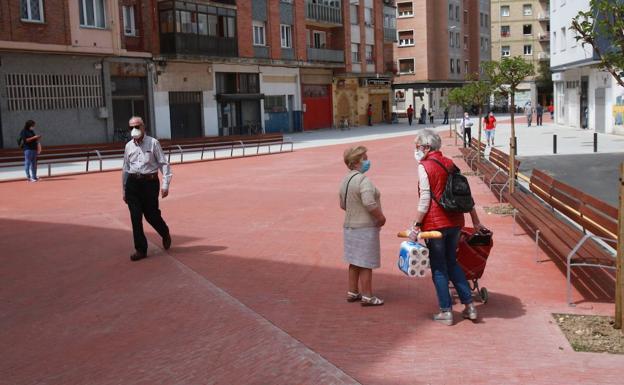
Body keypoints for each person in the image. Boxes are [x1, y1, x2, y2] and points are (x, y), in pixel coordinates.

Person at [411, 129, 486, 325]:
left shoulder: (424, 166)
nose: (416, 150)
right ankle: (470, 307)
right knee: (452, 262)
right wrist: (475, 221)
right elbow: (465, 194)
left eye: (417, 146)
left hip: (435, 225)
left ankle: (446, 311)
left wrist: (416, 225)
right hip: (455, 221)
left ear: (427, 147)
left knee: (438, 267)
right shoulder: (450, 163)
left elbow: (425, 199)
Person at [339, 146, 386, 306]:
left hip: (349, 226)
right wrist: (380, 217)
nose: (367, 161)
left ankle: (352, 291)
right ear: (357, 162)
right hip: (365, 227)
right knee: (366, 262)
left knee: (354, 261)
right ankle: (367, 296)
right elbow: (369, 202)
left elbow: (342, 204)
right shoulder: (363, 180)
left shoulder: (345, 180)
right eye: (365, 158)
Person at [122, 116, 173, 261]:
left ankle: (164, 232)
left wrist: (165, 184)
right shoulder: (128, 146)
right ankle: (141, 249)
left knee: (151, 215)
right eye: (131, 127)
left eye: (137, 126)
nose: (134, 130)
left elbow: (163, 164)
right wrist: (124, 189)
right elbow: (125, 168)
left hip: (149, 184)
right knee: (135, 217)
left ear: (144, 127)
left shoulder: (153, 143)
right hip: (133, 184)